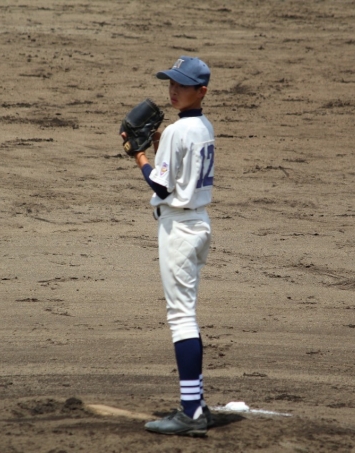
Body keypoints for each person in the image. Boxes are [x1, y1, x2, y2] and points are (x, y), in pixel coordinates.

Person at [122, 56, 216, 436]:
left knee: (181, 318)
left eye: (182, 85)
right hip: (199, 223)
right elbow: (181, 167)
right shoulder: (203, 127)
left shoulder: (178, 131)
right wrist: (160, 146)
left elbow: (160, 186)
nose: (173, 90)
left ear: (201, 91)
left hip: (179, 229)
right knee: (186, 314)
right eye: (171, 83)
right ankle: (197, 404)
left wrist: (139, 156)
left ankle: (191, 412)